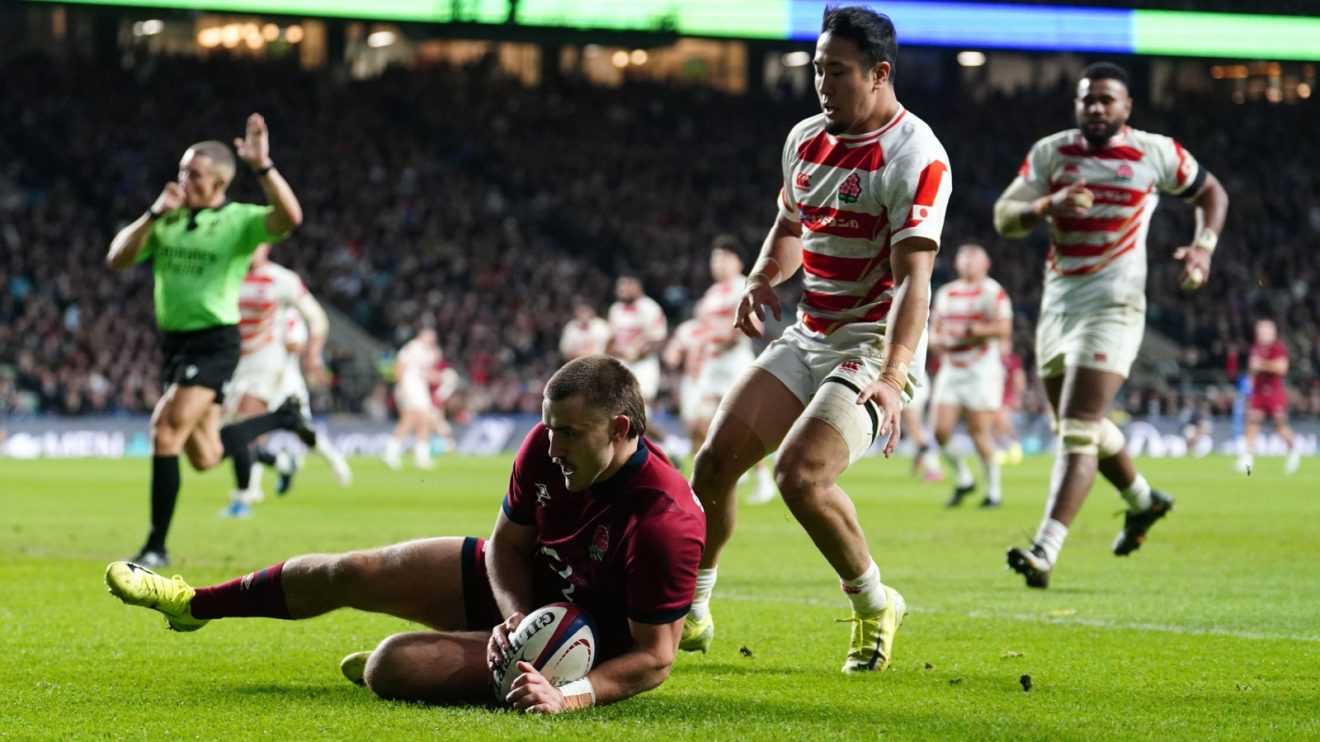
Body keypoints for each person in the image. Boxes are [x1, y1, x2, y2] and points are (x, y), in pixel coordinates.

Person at [104, 355, 704, 714]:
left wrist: (569, 693)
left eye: (568, 434)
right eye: (548, 428)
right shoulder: (546, 450)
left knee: (390, 668)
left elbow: (654, 656)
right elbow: (508, 547)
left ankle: (449, 661)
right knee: (352, 571)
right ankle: (193, 604)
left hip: (583, 644)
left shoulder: (664, 520)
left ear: (620, 427)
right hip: (526, 592)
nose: (552, 447)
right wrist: (517, 617)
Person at [681, 7, 950, 673]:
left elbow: (915, 282)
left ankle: (873, 604)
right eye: (815, 70)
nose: (822, 85)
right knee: (714, 465)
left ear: (880, 74)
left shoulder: (916, 156)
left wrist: (892, 376)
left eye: (836, 72)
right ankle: (691, 606)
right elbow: (790, 227)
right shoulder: (805, 138)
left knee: (801, 475)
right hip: (810, 333)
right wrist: (760, 276)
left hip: (873, 341)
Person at [993, 61, 1229, 588]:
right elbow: (1005, 217)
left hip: (1115, 305)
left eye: (1106, 100)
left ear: (1127, 108)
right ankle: (1143, 501)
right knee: (1078, 425)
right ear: (1077, 106)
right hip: (1058, 306)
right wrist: (1047, 205)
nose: (1095, 107)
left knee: (1077, 428)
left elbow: (1213, 194)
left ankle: (1044, 551)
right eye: (1087, 100)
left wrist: (1203, 250)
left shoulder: (1154, 152)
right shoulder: (1052, 153)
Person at [105, 114, 308, 568]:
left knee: (164, 429)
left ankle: (156, 545)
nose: (183, 181)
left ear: (218, 180)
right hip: (174, 344)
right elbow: (117, 258)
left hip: (214, 341)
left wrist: (263, 166)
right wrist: (154, 212)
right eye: (181, 172)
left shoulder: (237, 221)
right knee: (206, 453)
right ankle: (280, 418)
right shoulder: (167, 220)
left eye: (193, 174)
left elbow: (290, 218)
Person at [222, 245, 331, 516]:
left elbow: (317, 318)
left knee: (243, 426)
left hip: (266, 362)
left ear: (266, 245)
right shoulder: (227, 275)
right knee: (223, 437)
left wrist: (314, 354)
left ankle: (243, 498)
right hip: (233, 363)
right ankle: (282, 458)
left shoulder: (282, 279)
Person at [928, 243, 1013, 509]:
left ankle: (993, 493)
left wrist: (970, 330)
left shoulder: (992, 292)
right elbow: (934, 330)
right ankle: (964, 478)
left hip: (981, 370)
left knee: (979, 432)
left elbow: (1003, 327)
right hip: (952, 367)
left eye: (972, 258)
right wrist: (936, 341)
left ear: (985, 264)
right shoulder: (946, 292)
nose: (966, 263)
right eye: (962, 258)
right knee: (940, 430)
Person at [691, 237, 775, 504]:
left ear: (738, 262)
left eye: (725, 258)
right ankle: (723, 475)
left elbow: (756, 328)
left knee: (739, 425)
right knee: (699, 423)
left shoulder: (744, 287)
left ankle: (763, 479)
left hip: (734, 362)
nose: (719, 264)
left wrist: (726, 334)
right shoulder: (711, 294)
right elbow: (701, 329)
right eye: (715, 259)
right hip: (712, 365)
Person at [1238, 319, 1300, 475]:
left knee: (1279, 425)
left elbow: (1282, 368)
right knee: (1252, 422)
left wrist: (1262, 365)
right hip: (1258, 392)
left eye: (1265, 331)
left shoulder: (1277, 348)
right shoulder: (1256, 348)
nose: (1261, 334)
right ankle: (1247, 460)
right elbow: (1252, 369)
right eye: (1260, 331)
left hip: (1274, 392)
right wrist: (1249, 386)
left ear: (1272, 333)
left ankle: (1293, 450)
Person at [606, 275, 669, 416]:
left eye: (625, 286)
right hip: (621, 363)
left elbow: (659, 340)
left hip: (644, 364)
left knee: (641, 406)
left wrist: (638, 352)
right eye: (619, 286)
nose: (621, 290)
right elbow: (611, 339)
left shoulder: (650, 308)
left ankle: (653, 438)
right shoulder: (615, 309)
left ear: (636, 286)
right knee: (618, 408)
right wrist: (614, 351)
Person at [384, 328, 442, 470]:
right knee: (411, 420)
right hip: (410, 386)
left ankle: (419, 455)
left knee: (421, 421)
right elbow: (400, 364)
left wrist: (436, 377)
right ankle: (393, 452)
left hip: (420, 388)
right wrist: (401, 386)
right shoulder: (413, 347)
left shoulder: (429, 352)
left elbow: (422, 371)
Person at [995, 347, 1027, 465]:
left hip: (1007, 396)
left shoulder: (1013, 360)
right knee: (998, 423)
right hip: (993, 396)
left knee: (1002, 420)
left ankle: (1008, 447)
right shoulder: (992, 359)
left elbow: (1019, 378)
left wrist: (1018, 396)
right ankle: (1009, 446)